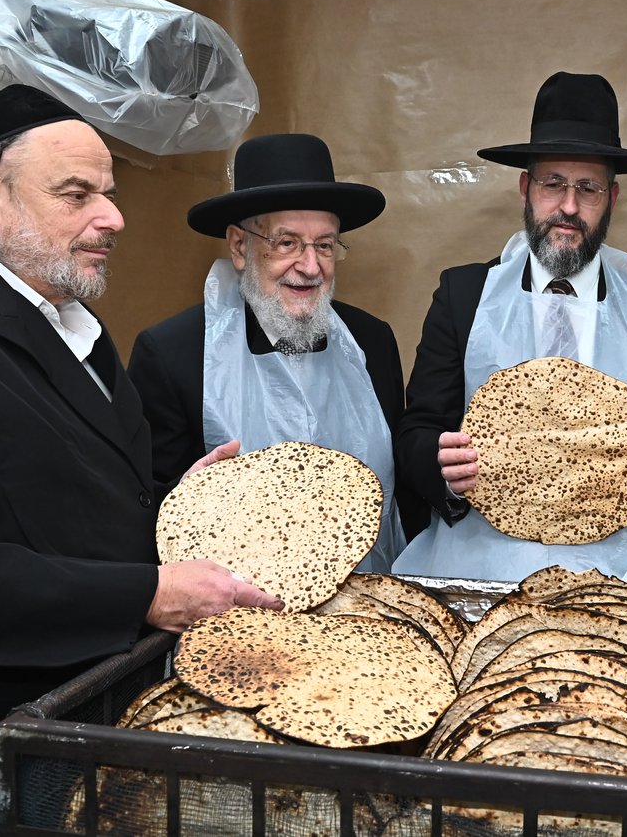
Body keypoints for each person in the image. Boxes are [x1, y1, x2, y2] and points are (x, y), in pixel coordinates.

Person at [0, 84, 281, 837]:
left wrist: (172, 512)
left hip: (68, 731)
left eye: (110, 194)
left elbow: (49, 500)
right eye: (77, 193)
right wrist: (143, 593)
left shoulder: (74, 327)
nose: (113, 217)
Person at [393, 71, 627, 611]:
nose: (569, 207)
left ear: (612, 198)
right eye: (553, 184)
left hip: (618, 558)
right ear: (526, 188)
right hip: (480, 553)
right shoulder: (462, 295)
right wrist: (442, 468)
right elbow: (417, 428)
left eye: (588, 188)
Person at [129, 133, 418, 567]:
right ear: (240, 247)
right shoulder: (172, 354)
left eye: (324, 245)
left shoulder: (372, 341)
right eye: (286, 243)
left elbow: (404, 492)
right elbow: (148, 509)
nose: (310, 266)